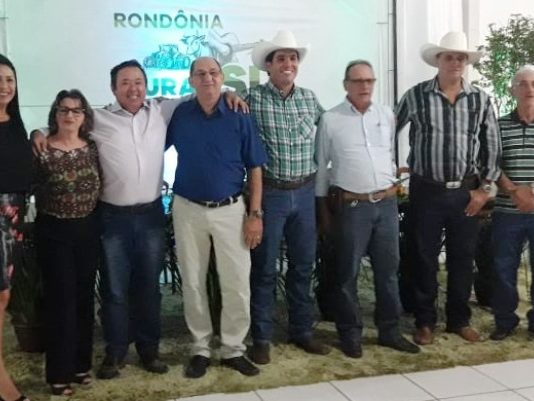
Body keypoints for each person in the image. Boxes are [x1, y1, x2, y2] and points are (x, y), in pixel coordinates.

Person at [31, 59, 247, 380]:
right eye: (125, 83)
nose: (132, 88)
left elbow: (203, 89)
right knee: (115, 289)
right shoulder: (98, 118)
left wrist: (230, 93)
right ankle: (116, 351)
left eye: (138, 82)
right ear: (113, 88)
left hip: (150, 216)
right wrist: (38, 131)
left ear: (146, 86)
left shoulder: (162, 110)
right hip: (112, 218)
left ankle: (149, 350)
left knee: (149, 287)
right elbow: (63, 124)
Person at [395, 31, 501, 345]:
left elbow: (492, 147)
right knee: (423, 258)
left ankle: (458, 320)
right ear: (438, 60)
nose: (455, 62)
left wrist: (484, 190)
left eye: (461, 57)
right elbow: (386, 130)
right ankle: (425, 321)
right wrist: (388, 169)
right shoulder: (416, 95)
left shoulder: (480, 99)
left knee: (462, 258)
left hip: (466, 192)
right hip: (426, 190)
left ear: (466, 63)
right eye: (449, 57)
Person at [167, 57, 267, 378]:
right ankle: (200, 348)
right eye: (200, 74)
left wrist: (255, 214)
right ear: (191, 81)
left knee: (236, 282)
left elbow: (255, 167)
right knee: (193, 282)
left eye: (213, 73)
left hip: (231, 209)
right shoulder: (180, 114)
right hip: (188, 209)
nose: (207, 78)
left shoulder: (239, 114)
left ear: (222, 78)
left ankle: (233, 349)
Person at [315, 60, 420, 358]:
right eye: (358, 81)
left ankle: (390, 332)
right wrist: (323, 211)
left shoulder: (386, 115)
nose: (364, 86)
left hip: (386, 204)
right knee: (346, 273)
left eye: (369, 81)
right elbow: (321, 168)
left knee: (388, 272)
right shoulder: (331, 119)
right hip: (352, 207)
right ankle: (350, 334)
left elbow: (387, 154)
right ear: (345, 84)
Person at [247, 30, 330, 364]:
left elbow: (332, 132)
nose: (288, 63)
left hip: (306, 193)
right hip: (270, 195)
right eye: (281, 58)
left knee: (303, 266)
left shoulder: (310, 99)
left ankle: (302, 331)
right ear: (268, 66)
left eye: (293, 58)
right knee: (264, 269)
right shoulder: (252, 99)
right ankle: (262, 338)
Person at [34, 90, 99, 396]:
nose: (70, 115)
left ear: (85, 115)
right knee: (60, 303)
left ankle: (80, 365)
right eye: (63, 110)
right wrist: (35, 133)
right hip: (53, 233)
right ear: (55, 114)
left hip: (88, 230)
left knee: (84, 299)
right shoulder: (42, 149)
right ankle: (58, 374)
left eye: (76, 110)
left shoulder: (93, 148)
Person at [490, 65, 534, 341]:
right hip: (507, 211)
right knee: (503, 268)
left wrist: (531, 192)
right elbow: (491, 163)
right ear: (512, 90)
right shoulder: (499, 126)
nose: (529, 89)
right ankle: (505, 321)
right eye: (523, 84)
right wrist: (513, 191)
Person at [0, 54, 32, 401]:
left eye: (9, 79)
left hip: (12, 219)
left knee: (4, 295)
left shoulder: (15, 123)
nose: (4, 86)